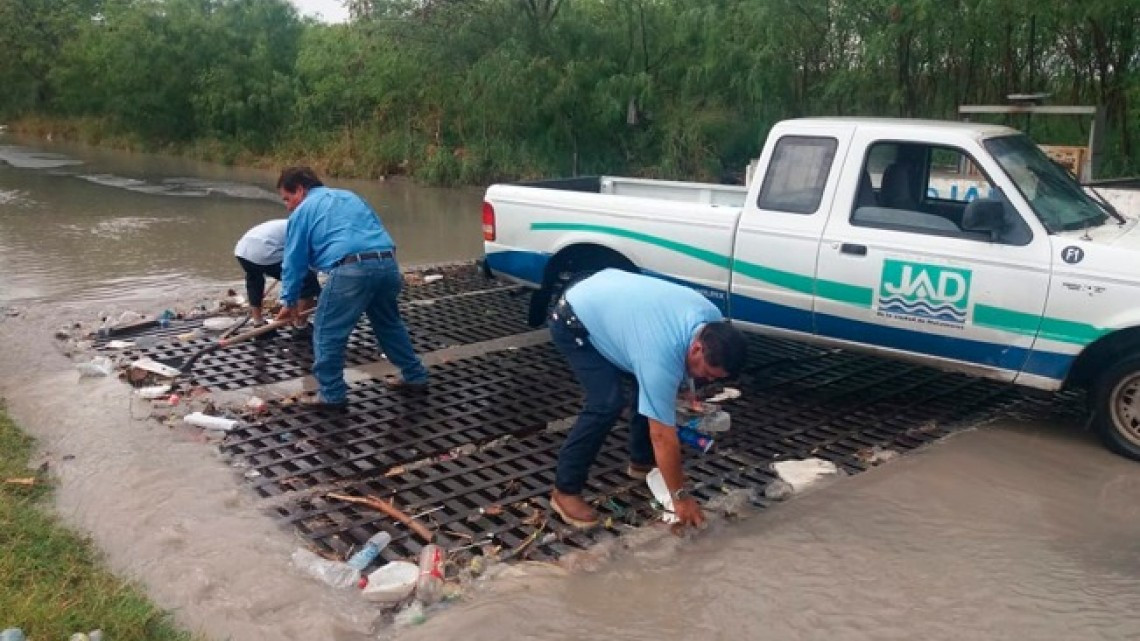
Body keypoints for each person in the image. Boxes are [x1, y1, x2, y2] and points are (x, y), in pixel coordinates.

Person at [548, 268, 748, 530]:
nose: (706, 381)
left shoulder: (712, 321)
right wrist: (680, 497)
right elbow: (662, 436)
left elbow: (673, 371)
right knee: (606, 403)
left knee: (653, 391)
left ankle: (642, 461)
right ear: (697, 348)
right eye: (707, 374)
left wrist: (688, 383)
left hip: (617, 305)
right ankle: (565, 491)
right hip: (575, 318)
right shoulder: (659, 357)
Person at [274, 166, 429, 410]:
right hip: (387, 263)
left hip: (351, 269)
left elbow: (294, 262)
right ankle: (415, 375)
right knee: (389, 323)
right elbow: (376, 229)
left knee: (326, 332)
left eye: (287, 198)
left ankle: (332, 394)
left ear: (301, 190)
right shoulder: (351, 196)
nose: (288, 205)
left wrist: (289, 301)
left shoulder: (302, 211)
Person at [233, 219, 321, 326]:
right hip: (265, 251)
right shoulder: (309, 232)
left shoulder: (292, 223)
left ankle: (258, 321)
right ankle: (299, 325)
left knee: (255, 281)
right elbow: (303, 260)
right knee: (308, 284)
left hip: (242, 251)